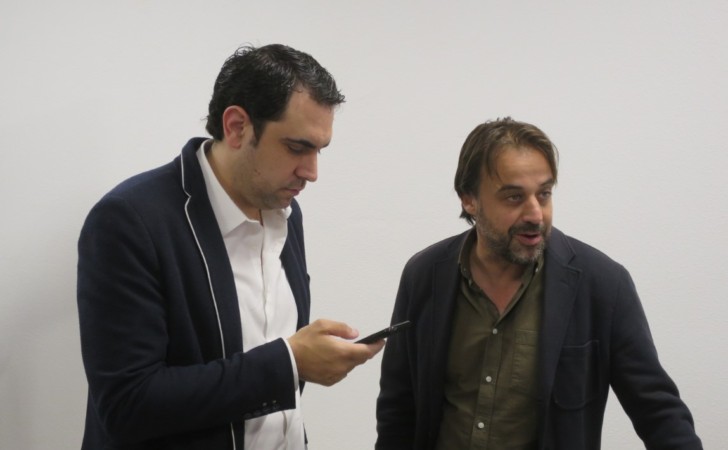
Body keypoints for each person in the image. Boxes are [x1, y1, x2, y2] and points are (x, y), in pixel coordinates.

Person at [77, 43, 384, 450]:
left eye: (319, 150)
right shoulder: (130, 220)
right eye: (297, 148)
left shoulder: (286, 213)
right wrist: (290, 363)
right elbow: (127, 404)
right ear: (237, 127)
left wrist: (301, 361)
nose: (311, 172)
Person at [375, 117, 702, 449]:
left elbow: (659, 414)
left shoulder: (602, 284)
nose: (535, 214)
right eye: (514, 198)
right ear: (469, 199)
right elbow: (397, 411)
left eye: (544, 194)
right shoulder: (424, 276)